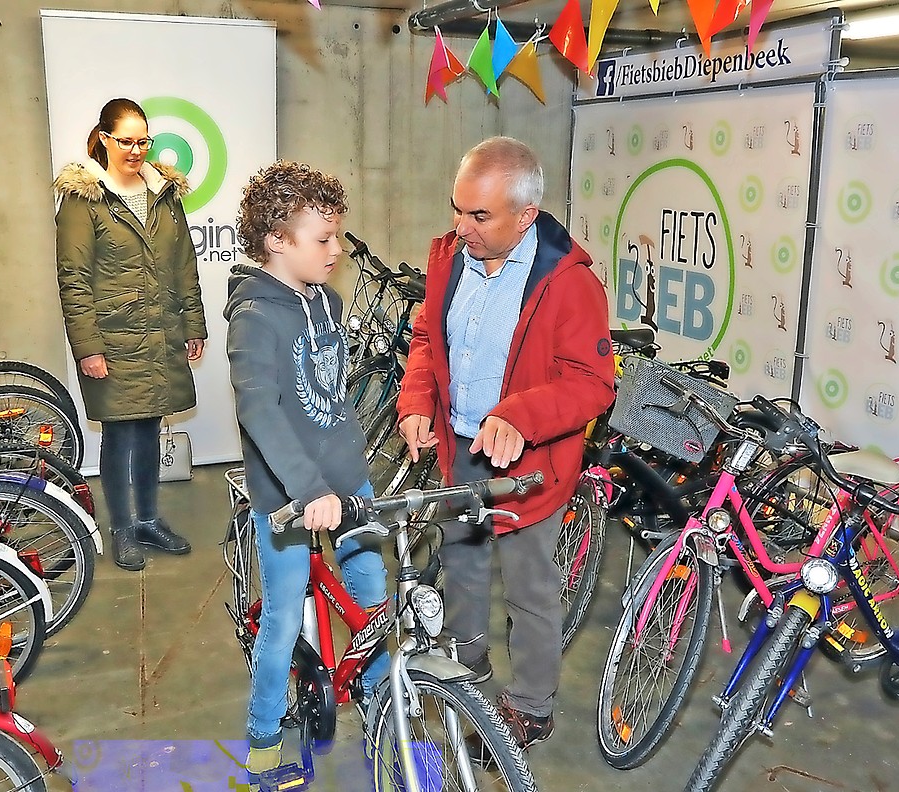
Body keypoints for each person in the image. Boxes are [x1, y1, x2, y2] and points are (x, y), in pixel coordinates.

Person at [397, 136, 615, 749]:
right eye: (457, 209)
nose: (460, 226)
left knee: (530, 590)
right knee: (461, 570)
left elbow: (593, 383)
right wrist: (417, 403)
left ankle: (530, 706)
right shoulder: (450, 257)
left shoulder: (569, 284)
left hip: (530, 465)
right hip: (459, 449)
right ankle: (466, 676)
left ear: (525, 217)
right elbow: (424, 340)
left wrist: (520, 414)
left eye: (478, 216)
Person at [225, 161, 390, 776]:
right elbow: (260, 411)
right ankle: (264, 730)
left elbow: (332, 395)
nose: (335, 250)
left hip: (347, 480)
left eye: (336, 236)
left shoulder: (329, 301)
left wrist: (353, 465)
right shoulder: (255, 318)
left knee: (375, 598)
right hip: (290, 494)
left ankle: (378, 704)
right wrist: (307, 486)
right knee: (283, 612)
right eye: (322, 239)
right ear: (277, 240)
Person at [54, 98, 207, 572]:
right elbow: (73, 277)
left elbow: (184, 264)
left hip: (160, 333)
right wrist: (89, 348)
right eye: (126, 141)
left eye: (143, 141)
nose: (136, 150)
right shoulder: (84, 200)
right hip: (113, 339)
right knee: (119, 434)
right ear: (103, 139)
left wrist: (194, 325)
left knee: (148, 427)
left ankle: (147, 520)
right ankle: (120, 528)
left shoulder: (165, 194)